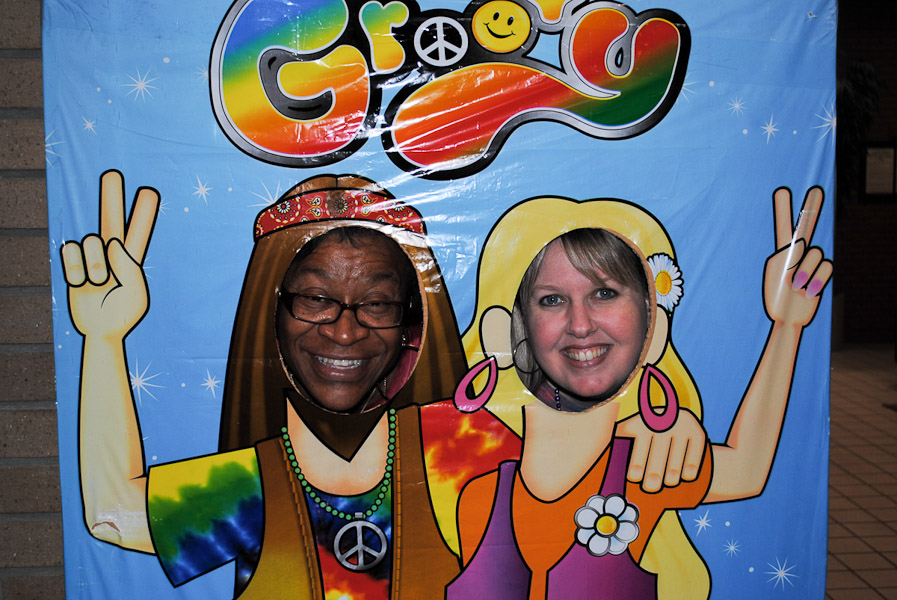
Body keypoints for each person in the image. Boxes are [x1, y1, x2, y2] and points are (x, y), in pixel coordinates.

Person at [61, 171, 518, 599]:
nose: (345, 332)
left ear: (409, 325)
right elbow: (112, 515)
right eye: (315, 299)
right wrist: (104, 338)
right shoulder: (254, 487)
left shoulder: (463, 451)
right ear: (271, 313)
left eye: (377, 303)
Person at [451, 189, 832, 599]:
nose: (580, 325)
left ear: (652, 322)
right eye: (552, 299)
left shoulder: (641, 462)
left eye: (604, 293)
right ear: (509, 328)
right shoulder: (474, 491)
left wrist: (786, 326)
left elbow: (747, 470)